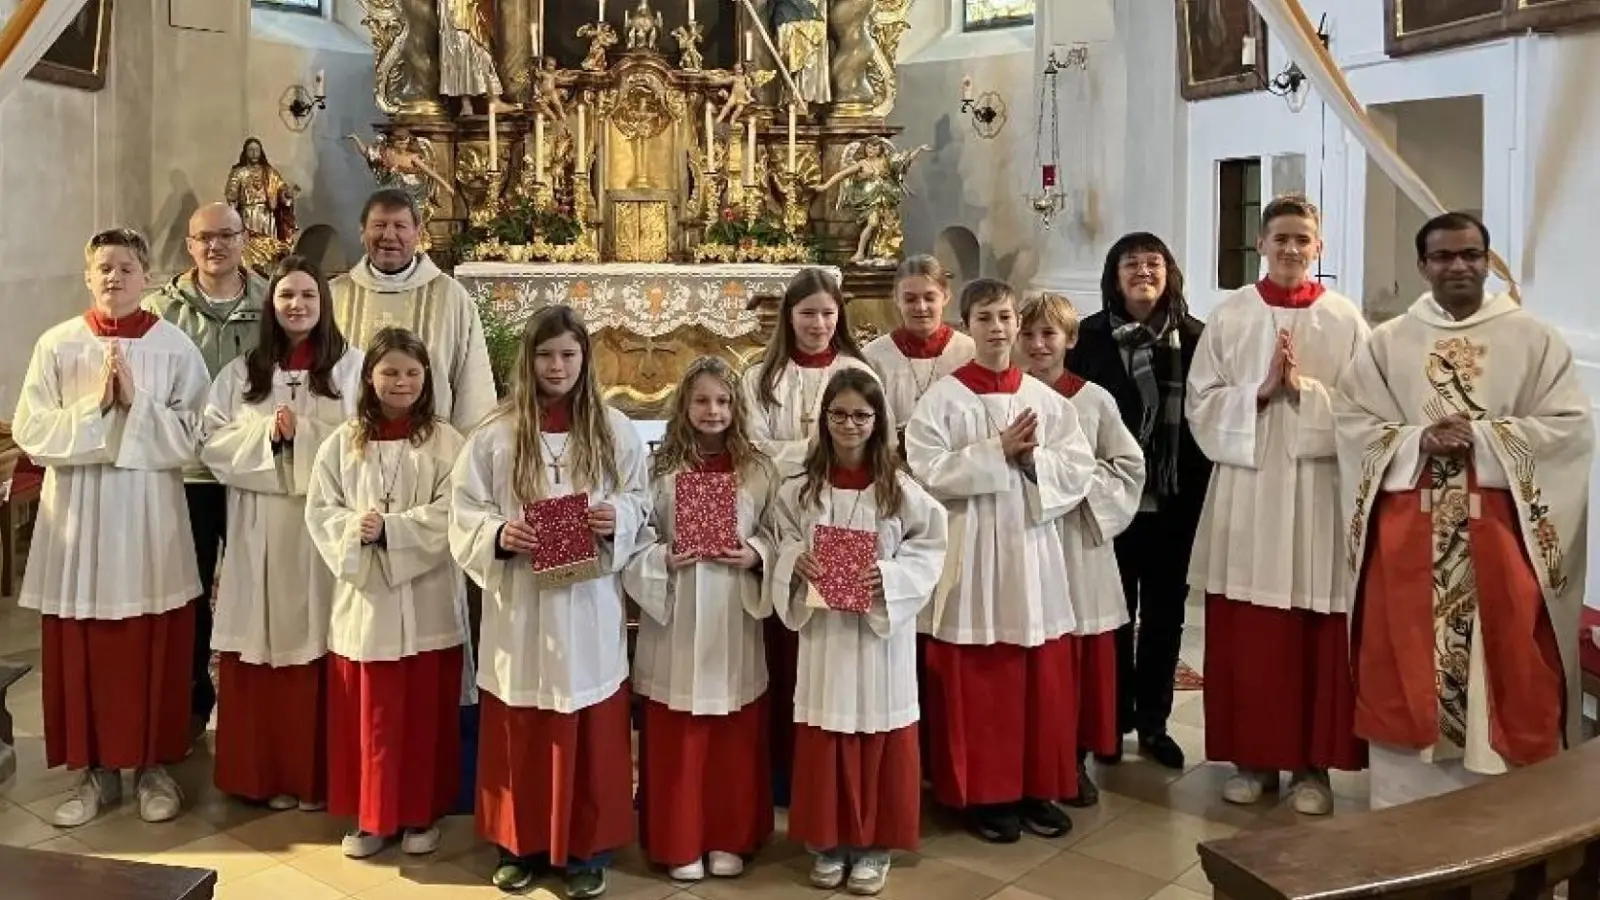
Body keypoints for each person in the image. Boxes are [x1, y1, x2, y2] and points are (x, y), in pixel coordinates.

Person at [1335, 212, 1592, 809]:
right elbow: (1351, 423)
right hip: (1409, 539)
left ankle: (1502, 815)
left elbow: (1570, 430)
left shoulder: (1534, 339)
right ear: (1423, 266)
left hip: (1501, 539)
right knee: (1402, 657)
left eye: (1471, 255)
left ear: (1487, 260)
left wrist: (1486, 436)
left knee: (1511, 657)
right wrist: (1415, 440)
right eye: (1444, 256)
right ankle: (1405, 816)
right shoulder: (1389, 341)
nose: (1458, 266)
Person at [449, 305, 650, 899]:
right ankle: (520, 844)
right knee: (522, 722)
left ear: (585, 359)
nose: (556, 366)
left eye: (567, 354)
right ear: (527, 361)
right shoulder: (496, 433)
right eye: (544, 354)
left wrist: (622, 516)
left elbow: (642, 498)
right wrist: (497, 535)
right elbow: (466, 510)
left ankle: (587, 848)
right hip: (523, 608)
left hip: (588, 604)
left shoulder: (613, 429)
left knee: (589, 723)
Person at [14, 227, 211, 826]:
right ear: (87, 274)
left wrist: (138, 405)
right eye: (103, 267)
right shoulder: (57, 345)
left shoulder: (175, 348)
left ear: (146, 277)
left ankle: (153, 768)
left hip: (149, 514)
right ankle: (92, 773)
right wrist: (94, 409)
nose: (113, 278)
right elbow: (29, 430)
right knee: (83, 644)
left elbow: (200, 435)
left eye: (126, 267)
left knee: (152, 636)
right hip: (79, 514)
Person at [1186, 194, 1369, 814]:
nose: (1291, 248)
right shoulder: (1231, 316)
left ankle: (1313, 769)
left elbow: (1368, 412)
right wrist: (1258, 394)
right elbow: (1200, 402)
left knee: (1317, 626)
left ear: (1319, 246)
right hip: (1250, 487)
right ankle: (1255, 762)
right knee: (1251, 633)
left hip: (1319, 491)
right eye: (1280, 237)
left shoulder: (1345, 320)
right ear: (1260, 244)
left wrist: (1307, 393)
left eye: (1303, 239)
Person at [905, 278, 1096, 844]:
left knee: (1040, 674)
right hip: (974, 552)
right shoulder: (942, 397)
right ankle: (986, 796)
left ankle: (1038, 787)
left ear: (1016, 325)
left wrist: (1035, 461)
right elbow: (924, 469)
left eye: (1005, 317)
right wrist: (996, 452)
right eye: (984, 317)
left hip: (1034, 552)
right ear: (967, 326)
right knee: (982, 680)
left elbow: (1078, 466)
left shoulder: (1046, 402)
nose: (997, 328)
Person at [771, 368, 947, 895]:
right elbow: (779, 538)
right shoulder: (801, 490)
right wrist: (793, 563)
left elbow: (930, 547)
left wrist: (888, 576)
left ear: (878, 421)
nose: (850, 425)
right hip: (825, 635)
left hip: (877, 638)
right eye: (839, 414)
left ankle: (873, 846)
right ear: (824, 421)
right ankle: (827, 841)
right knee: (827, 730)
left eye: (861, 415)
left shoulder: (901, 490)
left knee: (877, 731)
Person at [200, 257, 363, 812]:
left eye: (308, 296)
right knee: (261, 642)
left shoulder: (350, 368)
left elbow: (365, 442)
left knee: (318, 635)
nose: (297, 305)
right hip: (259, 522)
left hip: (320, 526)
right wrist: (267, 434)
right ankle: (264, 772)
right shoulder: (243, 372)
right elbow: (211, 443)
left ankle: (315, 774)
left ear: (324, 304)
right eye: (287, 295)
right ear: (272, 304)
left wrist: (309, 434)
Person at [305, 327, 468, 858]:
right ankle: (372, 818)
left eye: (412, 373)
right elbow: (321, 510)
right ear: (369, 377)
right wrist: (356, 530)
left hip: (426, 599)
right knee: (370, 714)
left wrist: (394, 530)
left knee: (423, 713)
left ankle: (421, 816)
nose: (401, 382)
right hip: (366, 601)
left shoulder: (447, 442)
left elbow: (457, 512)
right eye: (390, 371)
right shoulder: (343, 440)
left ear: (427, 379)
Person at [623, 357, 776, 883]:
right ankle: (678, 838)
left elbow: (784, 532)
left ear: (737, 408)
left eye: (723, 401)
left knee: (733, 732)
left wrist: (756, 553)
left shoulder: (759, 468)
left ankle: (729, 835)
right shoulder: (658, 468)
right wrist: (661, 557)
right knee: (678, 732)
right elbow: (636, 533)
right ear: (683, 406)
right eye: (702, 401)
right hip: (677, 612)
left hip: (733, 613)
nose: (713, 411)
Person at [1064, 232, 1210, 770]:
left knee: (1166, 614)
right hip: (1109, 501)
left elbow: (1209, 414)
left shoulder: (1197, 338)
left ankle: (1153, 722)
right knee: (1112, 614)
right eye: (1131, 264)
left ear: (1169, 271)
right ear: (1114, 275)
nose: (1143, 272)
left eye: (1153, 263)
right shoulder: (1087, 337)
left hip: (1176, 499)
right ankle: (1109, 722)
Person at [740, 266, 879, 808]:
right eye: (807, 313)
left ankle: (829, 775)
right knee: (783, 643)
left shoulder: (855, 369)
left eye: (827, 313)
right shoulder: (761, 377)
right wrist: (810, 451)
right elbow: (751, 450)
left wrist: (798, 452)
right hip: (781, 521)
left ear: (840, 314)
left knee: (832, 647)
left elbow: (871, 437)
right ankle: (782, 770)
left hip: (844, 519)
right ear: (788, 317)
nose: (819, 323)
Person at [143, 202, 269, 741]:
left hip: (250, 473)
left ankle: (249, 709)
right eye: (203, 238)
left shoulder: (273, 303)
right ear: (190, 246)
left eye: (225, 236)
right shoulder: (159, 311)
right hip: (187, 474)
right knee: (188, 589)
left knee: (251, 588)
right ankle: (194, 699)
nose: (214, 246)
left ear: (245, 240)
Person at [1019, 293, 1145, 807]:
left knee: (1076, 658)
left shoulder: (1093, 400)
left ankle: (1072, 759)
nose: (1038, 344)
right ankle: (1031, 759)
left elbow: (1128, 467)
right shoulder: (1008, 397)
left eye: (1049, 334)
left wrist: (1065, 481)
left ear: (1070, 339)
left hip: (1076, 539)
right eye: (1028, 334)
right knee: (1034, 656)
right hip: (1023, 540)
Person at [331, 188, 496, 434]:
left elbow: (474, 385)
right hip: (352, 452)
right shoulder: (334, 296)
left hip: (431, 452)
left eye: (400, 226)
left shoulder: (450, 297)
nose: (388, 235)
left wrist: (469, 454)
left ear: (418, 233)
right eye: (379, 225)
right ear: (361, 232)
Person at [861, 255, 976, 442]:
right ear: (896, 299)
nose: (921, 307)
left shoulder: (969, 353)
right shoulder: (873, 357)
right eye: (910, 299)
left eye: (930, 298)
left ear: (945, 297)